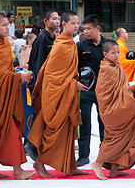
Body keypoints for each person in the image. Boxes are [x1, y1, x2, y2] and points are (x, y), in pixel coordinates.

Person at [28, 10, 90, 178]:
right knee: (54, 131)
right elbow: (51, 74)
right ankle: (39, 163)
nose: (76, 26)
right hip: (59, 94)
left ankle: (70, 165)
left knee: (69, 130)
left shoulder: (69, 43)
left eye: (78, 23)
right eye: (73, 23)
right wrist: (72, 84)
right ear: (64, 24)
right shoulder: (61, 45)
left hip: (67, 94)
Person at [91, 40, 135, 180]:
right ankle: (98, 163)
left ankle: (115, 168)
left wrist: (133, 88)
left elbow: (121, 87)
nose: (116, 55)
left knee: (125, 136)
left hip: (120, 105)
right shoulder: (107, 68)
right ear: (105, 54)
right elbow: (106, 92)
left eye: (118, 52)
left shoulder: (117, 66)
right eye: (113, 53)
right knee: (113, 138)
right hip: (112, 109)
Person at [0, 13, 34, 180]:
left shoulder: (5, 45)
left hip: (5, 95)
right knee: (11, 131)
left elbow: (4, 72)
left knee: (4, 132)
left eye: (8, 24)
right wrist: (19, 77)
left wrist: (18, 74)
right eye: (4, 25)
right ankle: (18, 170)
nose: (8, 27)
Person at [24, 9, 59, 160]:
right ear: (45, 21)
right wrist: (41, 88)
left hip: (50, 85)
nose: (57, 21)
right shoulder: (42, 39)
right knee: (40, 117)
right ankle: (30, 144)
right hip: (42, 86)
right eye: (54, 19)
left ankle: (36, 145)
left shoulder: (53, 38)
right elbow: (38, 66)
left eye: (58, 19)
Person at [76, 14, 107, 167]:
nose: (86, 31)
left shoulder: (108, 45)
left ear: (98, 28)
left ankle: (105, 155)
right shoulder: (81, 46)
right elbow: (74, 68)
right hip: (86, 91)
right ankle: (83, 157)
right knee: (84, 124)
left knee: (105, 125)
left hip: (104, 92)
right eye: (84, 29)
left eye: (89, 28)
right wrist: (75, 83)